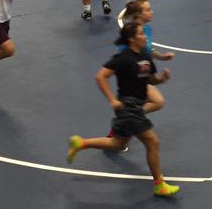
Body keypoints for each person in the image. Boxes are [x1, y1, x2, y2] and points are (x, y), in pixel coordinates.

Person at [66, 20, 180, 197]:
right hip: (128, 107)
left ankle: (81, 143)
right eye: (141, 34)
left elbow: (150, 80)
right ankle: (159, 184)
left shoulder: (145, 56)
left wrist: (162, 79)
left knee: (117, 143)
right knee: (153, 142)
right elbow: (100, 77)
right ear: (132, 39)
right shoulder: (123, 58)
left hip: (136, 105)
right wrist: (112, 99)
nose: (145, 36)